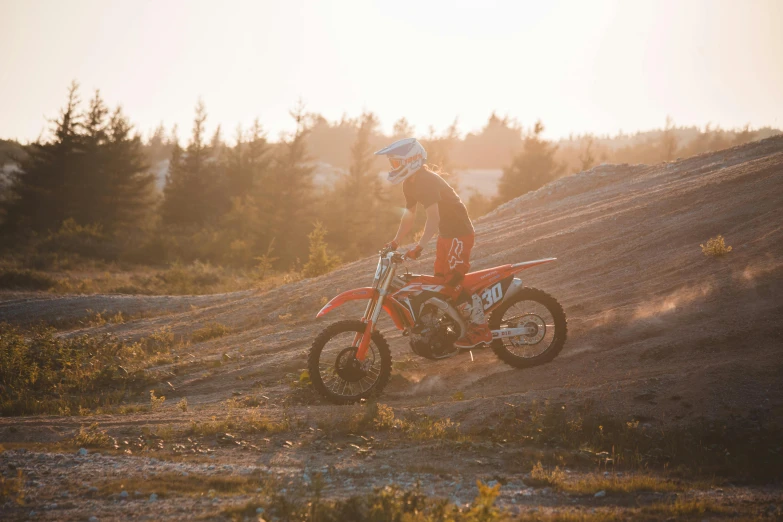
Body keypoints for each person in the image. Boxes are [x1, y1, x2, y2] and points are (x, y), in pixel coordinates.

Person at [375, 137, 492, 348]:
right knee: (440, 282)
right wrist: (395, 242)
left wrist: (419, 247)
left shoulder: (426, 181)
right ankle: (451, 328)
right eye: (392, 163)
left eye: (395, 162)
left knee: (453, 280)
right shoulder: (409, 184)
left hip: (460, 233)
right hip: (446, 236)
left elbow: (433, 218)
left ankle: (480, 329)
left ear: (410, 160)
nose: (393, 167)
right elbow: (408, 217)